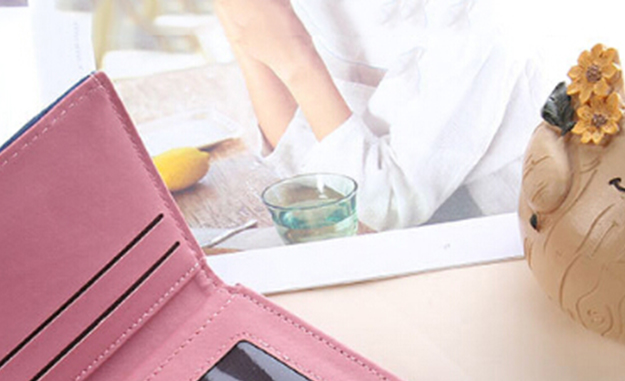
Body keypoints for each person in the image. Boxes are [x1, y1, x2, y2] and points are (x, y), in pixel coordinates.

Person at [213, 0, 544, 229]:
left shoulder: (481, 18)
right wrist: (243, 28)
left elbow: (382, 207)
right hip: (380, 248)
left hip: (495, 257)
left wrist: (295, 59)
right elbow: (304, 167)